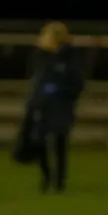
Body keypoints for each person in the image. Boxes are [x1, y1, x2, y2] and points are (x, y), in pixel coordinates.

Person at [20, 21, 83, 192]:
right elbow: (37, 82)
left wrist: (58, 90)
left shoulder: (70, 58)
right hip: (42, 105)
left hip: (61, 106)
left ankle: (59, 182)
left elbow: (77, 84)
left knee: (59, 143)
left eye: (45, 35)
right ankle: (46, 176)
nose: (42, 38)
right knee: (39, 141)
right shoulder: (40, 57)